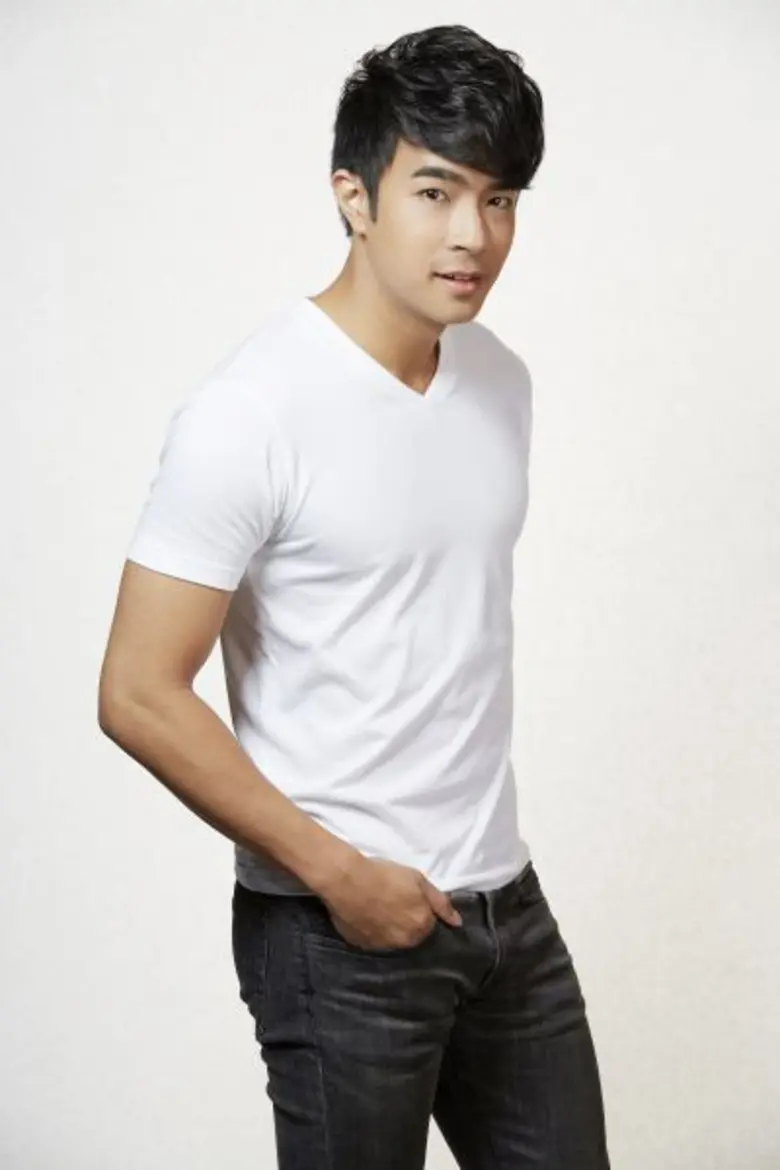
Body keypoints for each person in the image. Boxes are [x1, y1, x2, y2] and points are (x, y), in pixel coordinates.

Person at [98, 22, 611, 1170]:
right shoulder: (251, 413)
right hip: (339, 932)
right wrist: (339, 877)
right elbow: (136, 691)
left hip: (504, 905)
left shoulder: (500, 380)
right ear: (354, 196)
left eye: (500, 199)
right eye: (435, 191)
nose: (474, 233)